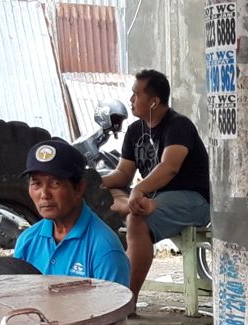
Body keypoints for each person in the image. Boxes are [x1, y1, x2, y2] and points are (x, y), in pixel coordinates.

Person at [100, 69, 212, 305]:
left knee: (137, 220)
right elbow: (122, 174)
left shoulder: (178, 125)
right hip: (154, 199)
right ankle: (132, 206)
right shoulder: (134, 131)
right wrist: (94, 181)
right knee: (101, 195)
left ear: (154, 101)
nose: (131, 99)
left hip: (193, 201)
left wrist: (138, 191)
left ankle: (126, 302)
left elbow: (169, 167)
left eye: (136, 94)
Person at [13, 138, 130, 288]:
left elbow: (115, 310)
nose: (44, 194)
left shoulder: (105, 249)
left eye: (55, 183)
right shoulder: (27, 241)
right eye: (36, 183)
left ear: (79, 188)